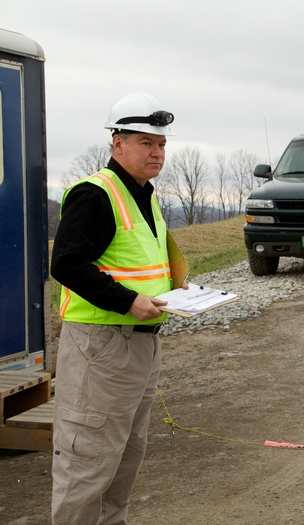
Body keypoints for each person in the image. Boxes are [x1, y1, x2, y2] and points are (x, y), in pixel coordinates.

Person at [50, 92, 177, 524]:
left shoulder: (145, 194)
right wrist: (127, 302)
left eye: (160, 144)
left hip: (141, 347)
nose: (156, 152)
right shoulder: (95, 194)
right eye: (146, 143)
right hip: (100, 349)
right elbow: (66, 265)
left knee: (123, 461)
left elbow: (139, 263)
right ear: (117, 143)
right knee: (87, 464)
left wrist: (180, 290)